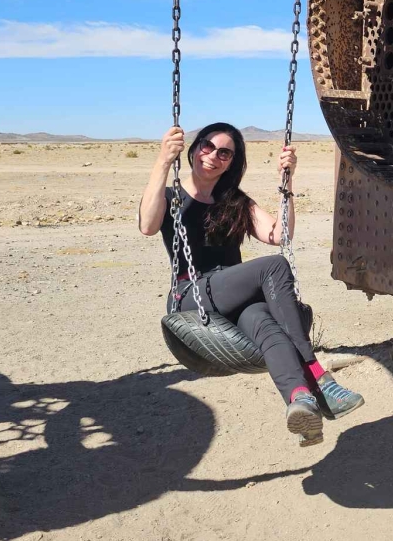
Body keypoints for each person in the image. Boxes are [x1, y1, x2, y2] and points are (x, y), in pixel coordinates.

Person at [138, 122, 363, 446]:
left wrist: (287, 182)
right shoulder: (170, 195)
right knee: (273, 266)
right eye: (207, 146)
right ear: (194, 148)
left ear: (232, 161)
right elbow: (148, 225)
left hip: (232, 295)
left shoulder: (234, 201)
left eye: (225, 152)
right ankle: (317, 374)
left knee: (264, 321)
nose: (213, 156)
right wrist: (162, 161)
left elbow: (279, 235)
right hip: (192, 295)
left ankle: (301, 401)